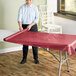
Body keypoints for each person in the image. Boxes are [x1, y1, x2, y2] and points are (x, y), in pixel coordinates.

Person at [17, 0, 39, 64]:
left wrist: (31, 25)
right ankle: (24, 59)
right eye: (27, 0)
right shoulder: (22, 7)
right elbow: (19, 18)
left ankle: (36, 58)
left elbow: (37, 18)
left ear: (31, 0)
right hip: (24, 26)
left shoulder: (35, 8)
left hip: (33, 25)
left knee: (34, 43)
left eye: (29, 0)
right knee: (25, 44)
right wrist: (20, 26)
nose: (28, 1)